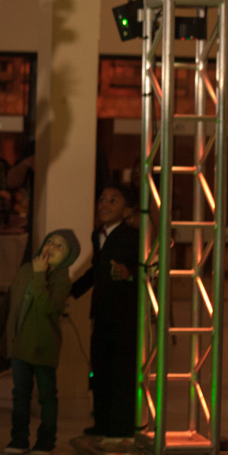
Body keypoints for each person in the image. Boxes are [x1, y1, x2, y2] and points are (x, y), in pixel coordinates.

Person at [3, 229, 81, 455]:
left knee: (46, 394)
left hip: (43, 345)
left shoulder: (60, 279)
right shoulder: (27, 270)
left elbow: (48, 307)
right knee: (20, 393)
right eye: (50, 242)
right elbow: (10, 301)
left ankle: (46, 440)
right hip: (19, 343)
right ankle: (19, 438)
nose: (51, 248)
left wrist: (40, 275)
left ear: (68, 256)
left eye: (60, 246)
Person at [71, 184, 139, 438]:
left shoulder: (131, 237)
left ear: (127, 209)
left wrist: (129, 273)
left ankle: (121, 425)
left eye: (113, 200)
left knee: (121, 368)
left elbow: (145, 267)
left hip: (124, 313)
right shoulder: (97, 235)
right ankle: (102, 422)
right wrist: (71, 290)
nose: (105, 205)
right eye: (102, 199)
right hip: (101, 311)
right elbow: (96, 270)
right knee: (100, 367)